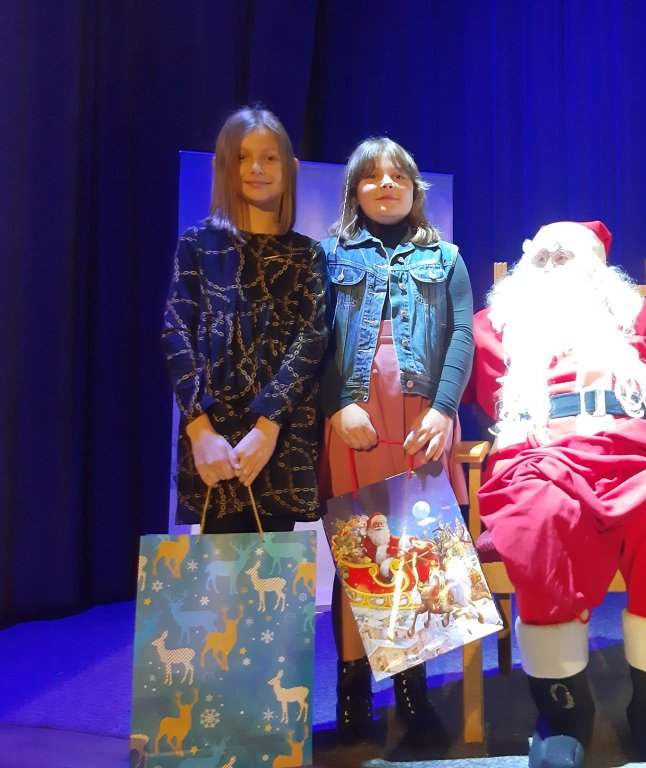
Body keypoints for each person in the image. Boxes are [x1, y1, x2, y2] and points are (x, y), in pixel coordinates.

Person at [469, 221, 646, 768]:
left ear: (597, 271)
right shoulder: (493, 326)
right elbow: (438, 380)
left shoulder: (637, 318)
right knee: (538, 521)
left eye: (566, 258)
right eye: (542, 258)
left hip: (640, 458)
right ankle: (563, 712)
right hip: (538, 462)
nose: (552, 268)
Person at [317, 137, 474, 746]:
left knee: (417, 552)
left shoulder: (447, 257)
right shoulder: (328, 254)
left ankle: (413, 691)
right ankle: (353, 692)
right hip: (354, 420)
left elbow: (461, 335)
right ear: (354, 190)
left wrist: (443, 409)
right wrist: (337, 405)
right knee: (359, 551)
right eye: (372, 177)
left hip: (421, 420)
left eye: (398, 176)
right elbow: (313, 336)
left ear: (414, 189)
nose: (386, 185)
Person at [161, 106, 327, 535]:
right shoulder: (197, 245)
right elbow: (175, 333)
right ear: (223, 166)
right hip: (211, 440)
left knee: (276, 568)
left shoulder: (308, 255)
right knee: (215, 571)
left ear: (289, 167)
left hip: (278, 439)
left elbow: (311, 340)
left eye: (269, 157)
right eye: (242, 157)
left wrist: (267, 428)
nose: (256, 168)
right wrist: (200, 430)